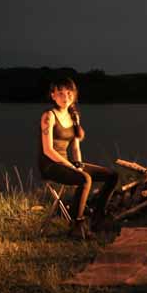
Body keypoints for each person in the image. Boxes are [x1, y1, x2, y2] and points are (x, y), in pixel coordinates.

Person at [39, 78, 118, 238]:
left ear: (74, 95)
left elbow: (75, 147)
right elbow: (48, 150)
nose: (65, 97)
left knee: (112, 175)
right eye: (60, 93)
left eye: (69, 93)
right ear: (53, 95)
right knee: (85, 179)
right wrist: (72, 167)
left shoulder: (73, 116)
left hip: (67, 162)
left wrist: (78, 164)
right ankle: (77, 225)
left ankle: (98, 217)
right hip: (51, 165)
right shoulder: (49, 116)